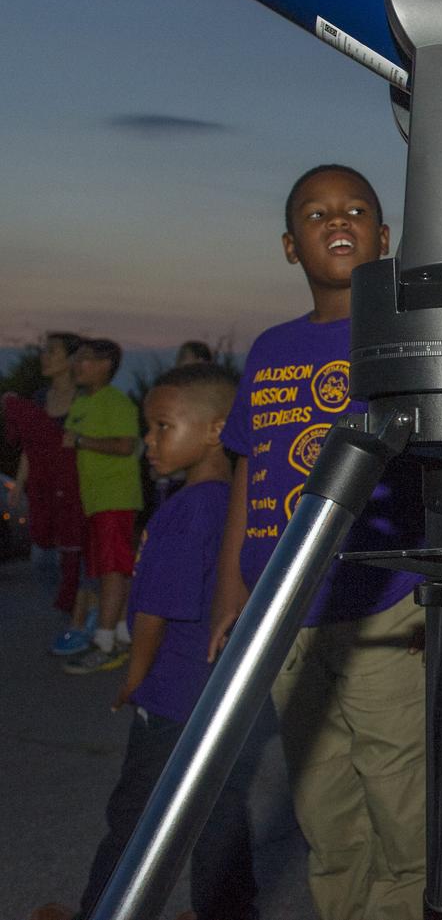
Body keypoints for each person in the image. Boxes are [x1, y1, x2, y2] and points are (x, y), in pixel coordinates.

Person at [209, 164, 427, 920]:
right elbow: (249, 474)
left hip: (383, 605)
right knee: (323, 803)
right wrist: (231, 595)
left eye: (357, 207)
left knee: (403, 801)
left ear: (384, 234)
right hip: (282, 613)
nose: (339, 218)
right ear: (289, 245)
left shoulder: (405, 335)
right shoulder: (269, 349)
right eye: (316, 211)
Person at [30, 363, 258, 920]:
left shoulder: (183, 512)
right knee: (217, 812)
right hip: (218, 694)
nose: (149, 442)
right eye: (148, 428)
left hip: (172, 696)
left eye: (162, 428)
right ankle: (226, 912)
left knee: (133, 815)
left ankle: (104, 910)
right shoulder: (234, 504)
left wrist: (133, 678)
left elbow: (154, 610)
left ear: (214, 430)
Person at [3, 332, 95, 651]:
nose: (45, 356)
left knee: (76, 555)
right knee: (42, 556)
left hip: (77, 490)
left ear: (71, 359)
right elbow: (33, 445)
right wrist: (19, 483)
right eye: (44, 350)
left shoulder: (86, 399)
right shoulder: (41, 398)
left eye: (52, 351)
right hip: (44, 490)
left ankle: (79, 619)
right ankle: (70, 607)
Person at [62, 338, 143, 674]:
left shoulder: (116, 402)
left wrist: (82, 440)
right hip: (94, 501)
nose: (77, 365)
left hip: (116, 497)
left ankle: (104, 640)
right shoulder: (81, 403)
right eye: (76, 359)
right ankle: (123, 632)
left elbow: (127, 445)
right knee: (111, 566)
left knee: (112, 568)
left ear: (106, 365)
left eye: (85, 359)